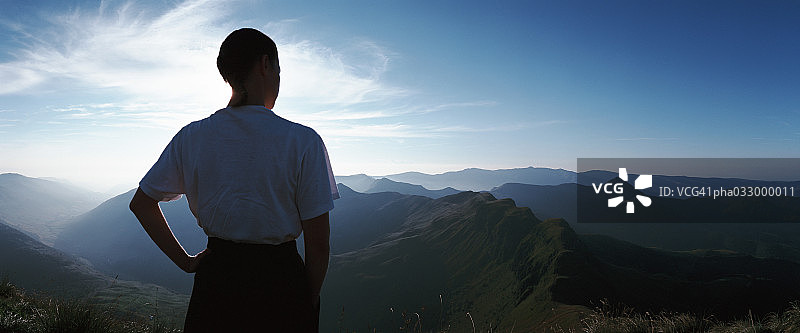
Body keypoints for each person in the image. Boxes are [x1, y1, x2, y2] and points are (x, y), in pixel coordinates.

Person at [129, 27, 339, 332]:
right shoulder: (303, 141)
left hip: (216, 281)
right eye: (279, 70)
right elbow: (318, 245)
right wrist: (308, 298)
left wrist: (187, 262)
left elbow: (142, 203)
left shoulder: (193, 136)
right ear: (265, 65)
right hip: (281, 282)